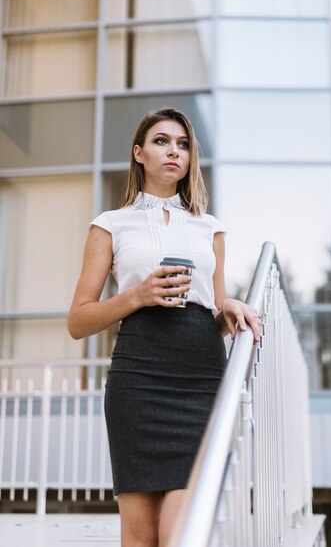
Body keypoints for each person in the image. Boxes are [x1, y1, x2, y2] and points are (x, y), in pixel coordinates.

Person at [67, 107, 261, 547]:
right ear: (139, 153)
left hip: (200, 378)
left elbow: (211, 306)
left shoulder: (211, 229)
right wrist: (137, 296)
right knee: (140, 538)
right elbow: (78, 321)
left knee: (180, 535)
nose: (174, 151)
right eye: (161, 141)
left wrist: (226, 306)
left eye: (183, 144)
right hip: (138, 379)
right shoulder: (110, 225)